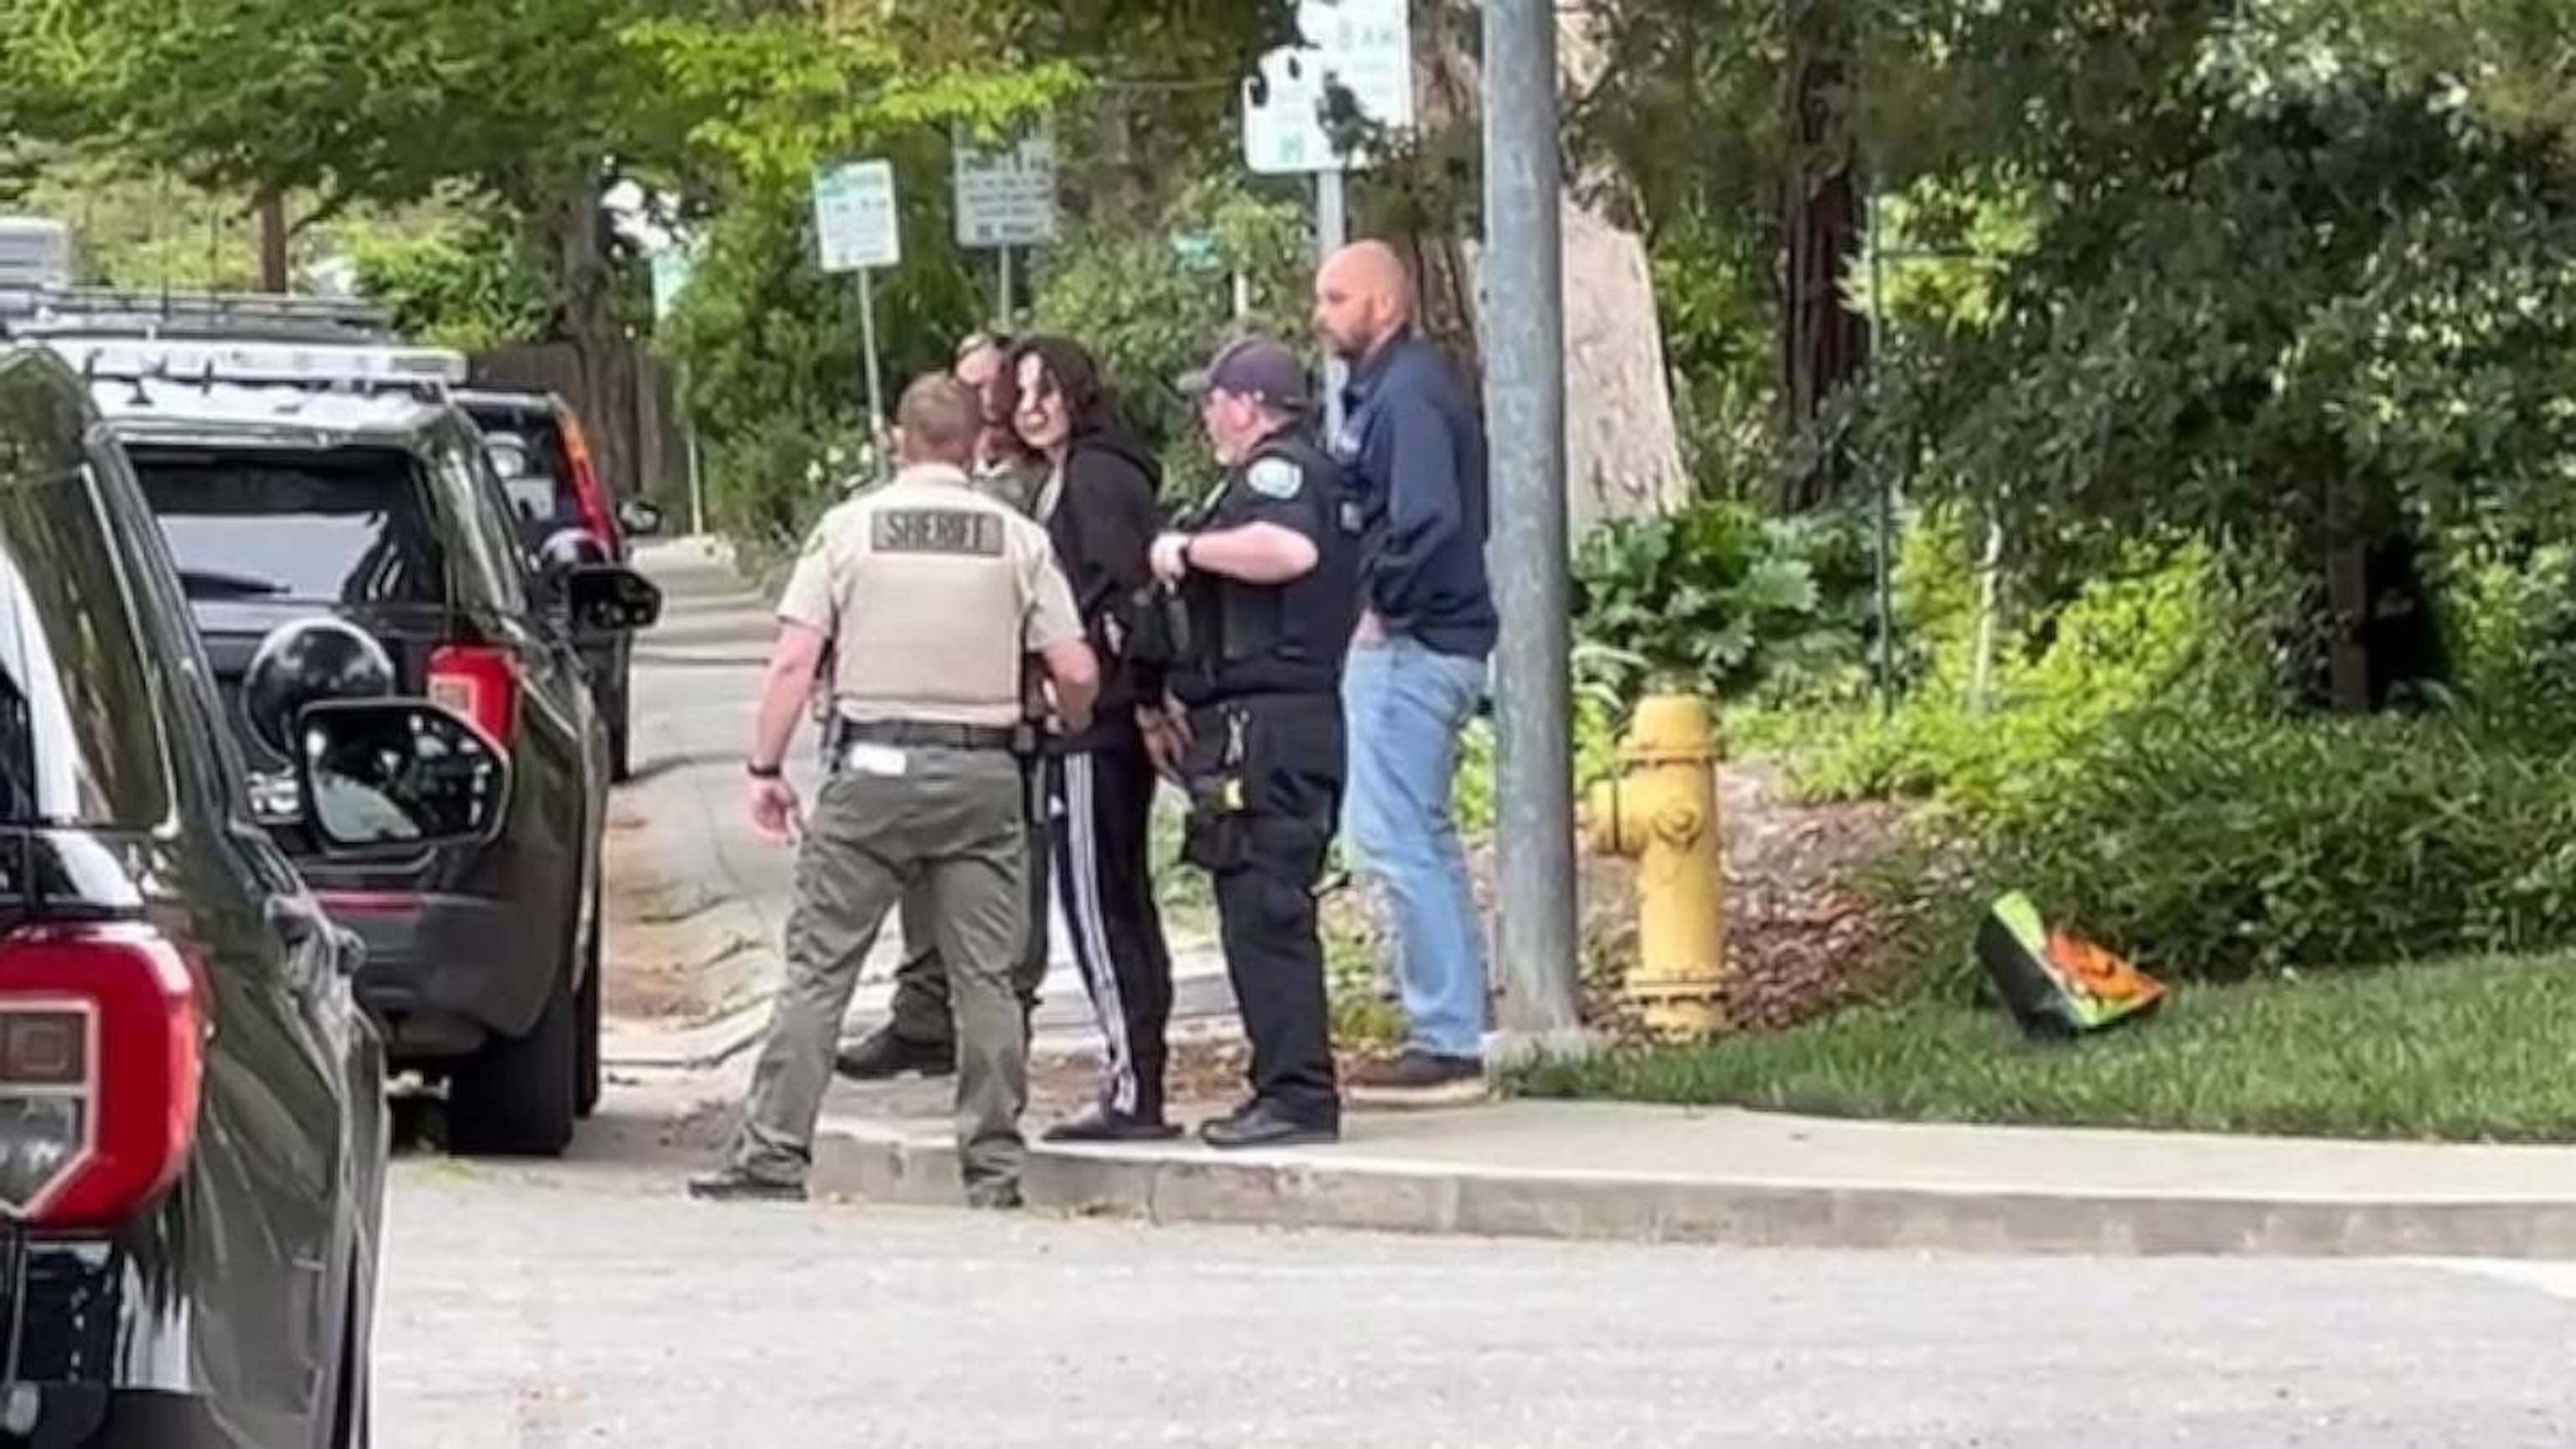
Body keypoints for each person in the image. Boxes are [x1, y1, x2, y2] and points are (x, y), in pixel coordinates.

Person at [690, 372, 1097, 1209]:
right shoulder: (1017, 539)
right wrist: (1061, 715)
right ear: (978, 442)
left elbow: (795, 662)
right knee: (987, 980)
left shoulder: (846, 532)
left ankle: (771, 1155)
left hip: (871, 775)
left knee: (820, 971)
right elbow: (1077, 668)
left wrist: (765, 769)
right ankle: (992, 1168)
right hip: (986, 776)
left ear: (897, 441)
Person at [1136, 335, 1361, 1149]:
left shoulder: (1280, 474)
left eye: (1213, 401)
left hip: (1271, 728)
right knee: (1254, 907)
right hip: (1264, 724)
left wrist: (1187, 551)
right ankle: (1283, 1084)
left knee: (1268, 910)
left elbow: (1289, 551)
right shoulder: (1288, 473)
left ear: (1247, 404)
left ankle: (1298, 1095)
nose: (1206, 417)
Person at [836, 330, 1056, 1085]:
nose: (991, 402)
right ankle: (924, 1019)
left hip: (999, 721)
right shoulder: (951, 493)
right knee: (923, 887)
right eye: (974, 389)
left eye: (993, 385)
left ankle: (991, 1046)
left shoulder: (1030, 489)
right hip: (922, 722)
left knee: (998, 902)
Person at [1312, 239, 1499, 1105]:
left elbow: (1425, 517)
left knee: (1393, 837)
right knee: (1418, 833)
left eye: (1336, 297)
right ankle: (1452, 1024)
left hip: (1413, 645)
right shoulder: (1394, 391)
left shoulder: (1409, 395)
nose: (1322, 314)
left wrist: (1377, 602)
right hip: (1434, 640)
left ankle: (1445, 1035)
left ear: (1383, 305)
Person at [998, 335, 1181, 1142]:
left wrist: (1123, 695)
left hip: (1092, 724)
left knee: (1097, 906)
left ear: (1079, 394)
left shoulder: (1094, 481)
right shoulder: (1092, 473)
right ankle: (1139, 1073)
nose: (1032, 407)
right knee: (1122, 896)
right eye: (1021, 392)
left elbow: (1117, 604)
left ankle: (1133, 1087)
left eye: (1046, 390)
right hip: (1110, 718)